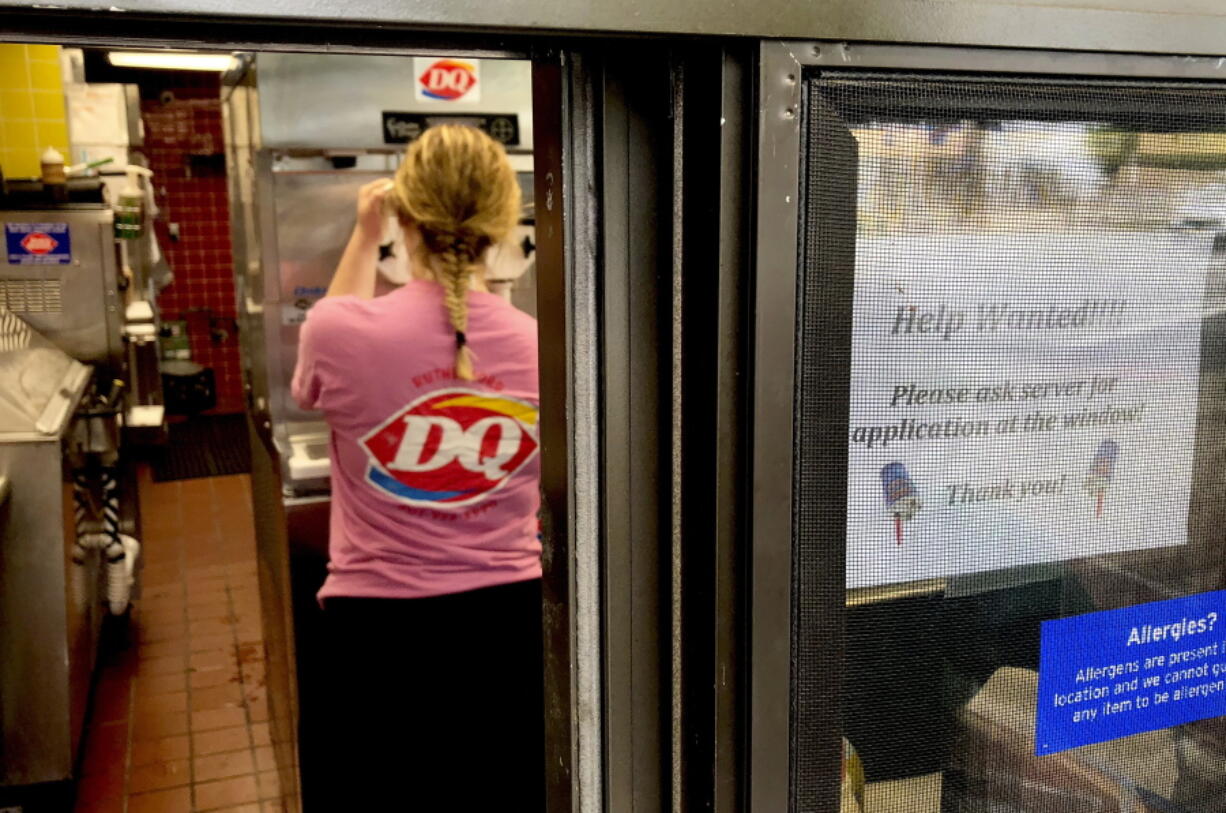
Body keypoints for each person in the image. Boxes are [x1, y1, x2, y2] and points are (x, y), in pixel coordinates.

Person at [291, 125, 543, 809]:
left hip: (377, 643)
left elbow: (321, 350)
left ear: (404, 220)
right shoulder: (545, 346)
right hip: (505, 635)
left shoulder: (339, 333)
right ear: (502, 221)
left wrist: (363, 230)